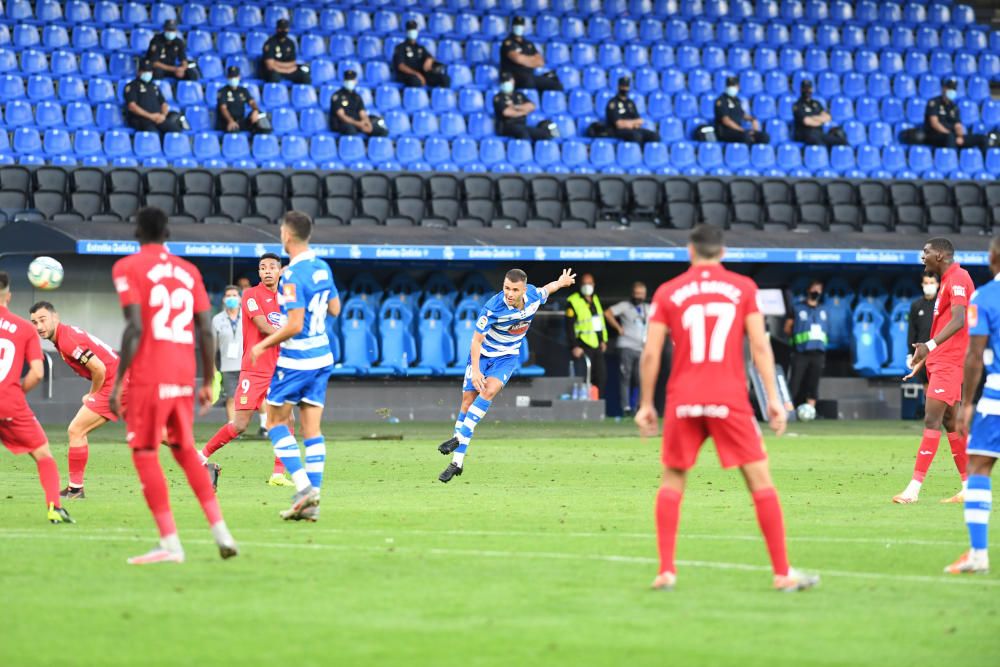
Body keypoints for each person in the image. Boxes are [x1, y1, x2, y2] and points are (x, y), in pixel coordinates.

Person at [635, 224, 818, 592]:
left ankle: (666, 571)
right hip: (728, 398)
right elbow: (760, 346)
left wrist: (644, 404)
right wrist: (774, 400)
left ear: (689, 251)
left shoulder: (668, 292)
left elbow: (652, 351)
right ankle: (782, 573)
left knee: (673, 480)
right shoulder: (743, 288)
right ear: (723, 253)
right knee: (759, 481)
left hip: (683, 398)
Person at [110, 207, 237, 564]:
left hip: (150, 375)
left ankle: (170, 543)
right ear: (167, 234)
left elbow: (134, 327)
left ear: (137, 232)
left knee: (145, 452)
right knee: (183, 450)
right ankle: (221, 532)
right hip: (183, 376)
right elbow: (204, 328)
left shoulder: (128, 268)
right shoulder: (188, 271)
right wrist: (208, 380)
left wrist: (120, 380)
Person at [437, 268, 577, 482]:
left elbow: (548, 289)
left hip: (506, 358)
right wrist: (475, 370)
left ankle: (457, 438)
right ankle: (457, 463)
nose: (509, 293)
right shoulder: (492, 308)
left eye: (514, 289)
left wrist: (561, 282)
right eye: (506, 288)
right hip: (483, 357)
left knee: (489, 390)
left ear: (523, 290)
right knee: (467, 403)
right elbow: (476, 341)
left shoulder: (533, 297)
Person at [250, 211, 341, 522]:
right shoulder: (323, 267)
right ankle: (312, 503)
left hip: (298, 359)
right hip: (323, 356)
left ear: (286, 236)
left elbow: (294, 324)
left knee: (274, 421)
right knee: (311, 429)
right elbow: (335, 308)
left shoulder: (290, 275)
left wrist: (262, 344)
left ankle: (303, 487)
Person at [199, 254, 292, 487]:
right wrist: (291, 336)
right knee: (240, 424)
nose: (268, 271)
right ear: (259, 273)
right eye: (263, 268)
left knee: (287, 419)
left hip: (279, 369)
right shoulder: (251, 295)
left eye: (272, 267)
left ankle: (278, 474)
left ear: (280, 271)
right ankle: (200, 456)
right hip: (254, 369)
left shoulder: (287, 299)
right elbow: (262, 325)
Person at [895, 238, 974, 505]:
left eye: (926, 252)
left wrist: (928, 345)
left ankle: (913, 490)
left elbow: (959, 319)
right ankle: (968, 486)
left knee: (931, 420)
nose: (922, 257)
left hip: (949, 363)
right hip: (939, 361)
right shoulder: (946, 282)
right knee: (950, 422)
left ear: (939, 255)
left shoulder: (959, 278)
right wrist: (925, 356)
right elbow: (944, 326)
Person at [29, 301, 126, 499]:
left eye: (42, 320)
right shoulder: (65, 336)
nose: (39, 327)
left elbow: (99, 369)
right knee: (154, 433)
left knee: (76, 430)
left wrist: (93, 395)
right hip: (124, 379)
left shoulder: (67, 341)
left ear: (55, 318)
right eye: (34, 322)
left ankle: (75, 489)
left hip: (116, 383)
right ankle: (202, 463)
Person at [946, 234, 1000, 574]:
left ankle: (979, 554)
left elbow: (974, 355)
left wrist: (967, 403)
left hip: (996, 396)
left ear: (993, 257)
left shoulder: (986, 297)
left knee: (979, 466)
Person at [0, 273, 73, 525]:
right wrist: (16, 392)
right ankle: (54, 507)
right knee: (43, 454)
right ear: (8, 296)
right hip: (10, 403)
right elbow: (38, 372)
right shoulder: (24, 328)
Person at [604, 281, 649, 417]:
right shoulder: (625, 306)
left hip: (641, 348)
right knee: (625, 377)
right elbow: (608, 313)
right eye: (636, 294)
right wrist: (618, 328)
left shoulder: (648, 308)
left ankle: (636, 406)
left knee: (639, 379)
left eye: (641, 294)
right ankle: (626, 408)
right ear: (632, 293)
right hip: (626, 346)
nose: (638, 296)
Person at [783, 280, 828, 411]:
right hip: (801, 351)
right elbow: (787, 328)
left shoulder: (823, 309)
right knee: (795, 382)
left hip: (818, 351)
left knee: (813, 382)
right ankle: (788, 409)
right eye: (815, 288)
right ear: (809, 290)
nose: (817, 292)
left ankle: (810, 410)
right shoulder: (797, 308)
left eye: (819, 289)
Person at [566, 273, 608, 399]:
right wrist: (574, 346)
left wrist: (602, 340)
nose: (587, 286)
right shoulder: (573, 300)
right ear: (580, 285)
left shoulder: (595, 299)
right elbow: (569, 326)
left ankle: (597, 406)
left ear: (593, 285)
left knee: (601, 377)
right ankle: (584, 407)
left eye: (589, 284)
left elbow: (598, 322)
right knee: (584, 379)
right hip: (582, 345)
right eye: (584, 284)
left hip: (596, 345)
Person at [499, 16, 562, 92]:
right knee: (528, 81)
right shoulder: (508, 42)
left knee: (555, 84)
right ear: (512, 26)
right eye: (517, 25)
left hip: (530, 76)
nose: (519, 27)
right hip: (515, 77)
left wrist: (524, 60)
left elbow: (540, 62)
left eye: (521, 25)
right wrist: (532, 61)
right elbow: (517, 58)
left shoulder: (528, 44)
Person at [924, 79, 989, 150]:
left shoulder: (954, 106)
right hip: (935, 135)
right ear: (944, 89)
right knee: (950, 138)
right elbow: (934, 123)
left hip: (952, 136)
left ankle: (988, 159)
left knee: (982, 139)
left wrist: (959, 136)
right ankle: (951, 160)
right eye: (949, 88)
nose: (951, 91)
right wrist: (950, 134)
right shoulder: (934, 103)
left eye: (953, 89)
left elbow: (957, 125)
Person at [124, 60, 185, 134]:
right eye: (145, 71)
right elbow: (132, 106)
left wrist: (163, 115)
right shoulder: (131, 86)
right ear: (139, 72)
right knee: (153, 133)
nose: (148, 73)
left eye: (149, 71)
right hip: (142, 119)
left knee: (176, 130)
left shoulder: (154, 86)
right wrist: (151, 116)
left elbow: (164, 104)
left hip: (158, 118)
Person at [211, 286, 243, 426]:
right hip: (227, 365)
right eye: (228, 295)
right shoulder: (217, 319)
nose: (231, 298)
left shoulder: (249, 316)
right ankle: (233, 427)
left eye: (234, 295)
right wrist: (212, 365)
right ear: (224, 299)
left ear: (240, 298)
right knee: (231, 397)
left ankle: (263, 426)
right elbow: (213, 345)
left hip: (248, 363)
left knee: (256, 396)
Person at [493, 72, 556, 141]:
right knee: (522, 133)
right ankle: (525, 150)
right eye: (504, 81)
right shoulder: (498, 97)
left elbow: (532, 106)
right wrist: (523, 112)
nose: (506, 83)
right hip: (507, 126)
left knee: (542, 133)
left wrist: (515, 107)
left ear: (513, 81)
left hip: (522, 125)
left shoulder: (519, 95)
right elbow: (507, 112)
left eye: (508, 81)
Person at [393, 20, 450, 88]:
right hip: (409, 75)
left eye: (414, 30)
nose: (412, 32)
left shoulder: (420, 47)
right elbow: (401, 66)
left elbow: (430, 57)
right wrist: (416, 74)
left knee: (445, 79)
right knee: (415, 81)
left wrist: (430, 59)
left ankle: (439, 96)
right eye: (410, 30)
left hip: (423, 74)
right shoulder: (400, 47)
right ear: (406, 32)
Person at [329, 70, 388, 137]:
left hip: (358, 123)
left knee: (381, 130)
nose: (350, 82)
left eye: (351, 80)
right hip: (344, 123)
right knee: (350, 130)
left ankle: (372, 146)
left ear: (355, 81)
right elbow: (341, 116)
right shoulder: (337, 96)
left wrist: (367, 123)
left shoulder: (357, 96)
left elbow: (362, 113)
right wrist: (358, 124)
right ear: (344, 81)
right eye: (348, 80)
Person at [714, 76, 769, 144]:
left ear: (738, 86)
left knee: (764, 137)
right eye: (730, 85)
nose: (732, 87)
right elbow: (726, 121)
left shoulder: (737, 101)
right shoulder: (721, 101)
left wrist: (753, 119)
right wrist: (742, 130)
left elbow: (742, 114)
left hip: (738, 131)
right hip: (726, 131)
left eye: (733, 85)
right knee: (745, 136)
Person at [906, 272, 939, 387]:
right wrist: (910, 354)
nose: (928, 285)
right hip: (922, 355)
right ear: (922, 284)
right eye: (926, 283)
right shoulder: (916, 305)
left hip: (939, 353)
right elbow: (912, 331)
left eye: (931, 283)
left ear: (938, 284)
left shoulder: (943, 304)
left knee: (939, 389)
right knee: (926, 389)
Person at [606, 77, 660, 145]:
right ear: (618, 87)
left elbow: (640, 121)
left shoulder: (630, 103)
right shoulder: (613, 103)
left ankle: (649, 154)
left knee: (654, 136)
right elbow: (619, 124)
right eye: (623, 86)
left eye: (626, 86)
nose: (625, 89)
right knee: (636, 136)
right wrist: (632, 124)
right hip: (617, 131)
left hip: (632, 129)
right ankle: (635, 154)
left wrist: (629, 124)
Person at [792, 80, 846, 146]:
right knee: (818, 142)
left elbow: (828, 117)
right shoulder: (797, 105)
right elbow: (807, 121)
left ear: (812, 89)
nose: (807, 90)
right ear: (801, 89)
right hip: (805, 134)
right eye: (805, 88)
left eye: (809, 88)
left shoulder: (816, 103)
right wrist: (820, 120)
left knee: (841, 140)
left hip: (819, 133)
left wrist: (812, 117)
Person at [216, 66, 269, 134]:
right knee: (233, 129)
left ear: (239, 77)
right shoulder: (222, 91)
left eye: (235, 77)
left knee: (260, 119)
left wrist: (255, 110)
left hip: (240, 121)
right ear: (228, 78)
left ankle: (257, 141)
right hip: (227, 122)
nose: (233, 79)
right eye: (231, 77)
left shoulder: (243, 90)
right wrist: (230, 121)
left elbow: (252, 102)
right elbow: (223, 108)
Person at [259, 18, 311, 84]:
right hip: (276, 71)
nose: (283, 30)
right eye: (281, 28)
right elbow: (270, 65)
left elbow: (293, 63)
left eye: (285, 28)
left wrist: (277, 63)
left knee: (305, 76)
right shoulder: (270, 43)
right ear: (277, 29)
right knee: (274, 76)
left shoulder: (290, 43)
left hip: (288, 71)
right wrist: (286, 69)